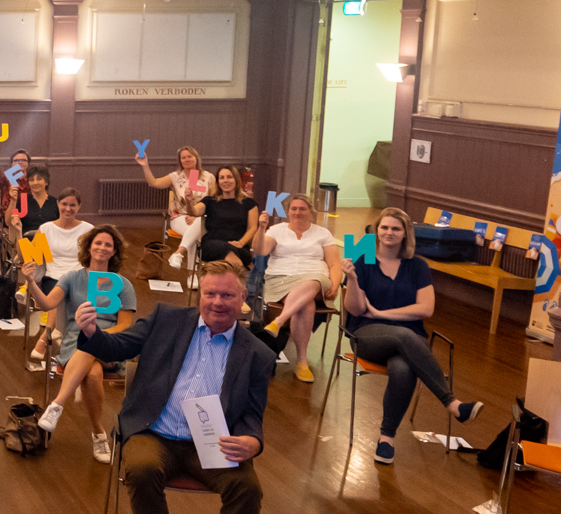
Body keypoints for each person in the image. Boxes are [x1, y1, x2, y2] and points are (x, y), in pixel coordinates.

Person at [75, 261, 274, 514]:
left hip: (212, 443)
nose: (217, 302)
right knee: (142, 470)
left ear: (242, 300)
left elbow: (251, 414)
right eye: (210, 294)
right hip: (156, 430)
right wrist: (91, 332)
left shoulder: (257, 354)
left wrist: (253, 442)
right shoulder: (167, 320)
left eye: (227, 295)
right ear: (199, 294)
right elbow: (119, 345)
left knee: (247, 490)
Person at [341, 207, 484, 465]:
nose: (389, 233)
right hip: (368, 335)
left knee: (404, 367)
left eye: (396, 228)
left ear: (406, 233)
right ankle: (452, 404)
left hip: (409, 338)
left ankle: (386, 439)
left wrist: (382, 312)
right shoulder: (363, 261)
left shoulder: (417, 265)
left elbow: (426, 309)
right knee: (404, 335)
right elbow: (356, 309)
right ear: (376, 231)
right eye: (384, 227)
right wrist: (351, 278)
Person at [27, 225, 135, 463]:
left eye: (108, 244)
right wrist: (30, 282)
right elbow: (46, 304)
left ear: (114, 251)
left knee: (92, 341)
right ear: (88, 247)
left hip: (111, 345)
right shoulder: (72, 278)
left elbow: (125, 326)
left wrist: (98, 334)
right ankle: (99, 435)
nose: (102, 248)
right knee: (93, 375)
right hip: (77, 344)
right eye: (98, 243)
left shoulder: (123, 284)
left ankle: (57, 405)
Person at [255, 194, 340, 382]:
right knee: (306, 305)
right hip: (281, 279)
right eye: (294, 208)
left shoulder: (323, 233)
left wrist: (335, 284)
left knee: (313, 281)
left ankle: (279, 321)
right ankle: (302, 361)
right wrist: (261, 228)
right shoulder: (277, 230)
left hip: (317, 281)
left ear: (310, 211)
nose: (298, 212)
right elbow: (260, 250)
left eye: (302, 209)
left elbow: (334, 264)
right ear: (288, 211)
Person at [25, 188, 92, 366]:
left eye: (73, 205)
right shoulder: (46, 228)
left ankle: (47, 334)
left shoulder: (88, 229)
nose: (68, 209)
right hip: (53, 277)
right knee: (60, 290)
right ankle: (54, 332)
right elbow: (33, 257)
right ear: (58, 204)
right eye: (64, 204)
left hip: (79, 278)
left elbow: (91, 259)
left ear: (79, 207)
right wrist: (17, 232)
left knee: (67, 290)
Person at [136, 146, 216, 269]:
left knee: (197, 228)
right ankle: (192, 276)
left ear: (196, 158)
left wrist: (196, 216)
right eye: (183, 157)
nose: (187, 159)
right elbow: (154, 183)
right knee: (195, 237)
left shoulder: (208, 177)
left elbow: (213, 201)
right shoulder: (175, 177)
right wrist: (145, 165)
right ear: (180, 161)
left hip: (200, 218)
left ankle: (178, 253)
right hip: (180, 217)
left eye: (190, 156)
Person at [188, 165, 260, 267]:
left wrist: (241, 243)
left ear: (236, 180)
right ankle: (244, 279)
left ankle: (238, 279)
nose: (225, 180)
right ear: (218, 182)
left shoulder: (249, 203)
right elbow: (193, 212)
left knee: (233, 251)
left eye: (229, 177)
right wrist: (189, 201)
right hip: (212, 244)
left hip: (239, 245)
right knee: (229, 251)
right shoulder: (210, 200)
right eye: (222, 178)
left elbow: (252, 228)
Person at [0, 136, 32, 219]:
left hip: (30, 217)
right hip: (9, 218)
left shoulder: (34, 179)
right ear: (12, 164)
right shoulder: (6, 178)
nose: (20, 162)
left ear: (28, 163)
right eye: (16, 160)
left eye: (23, 160)